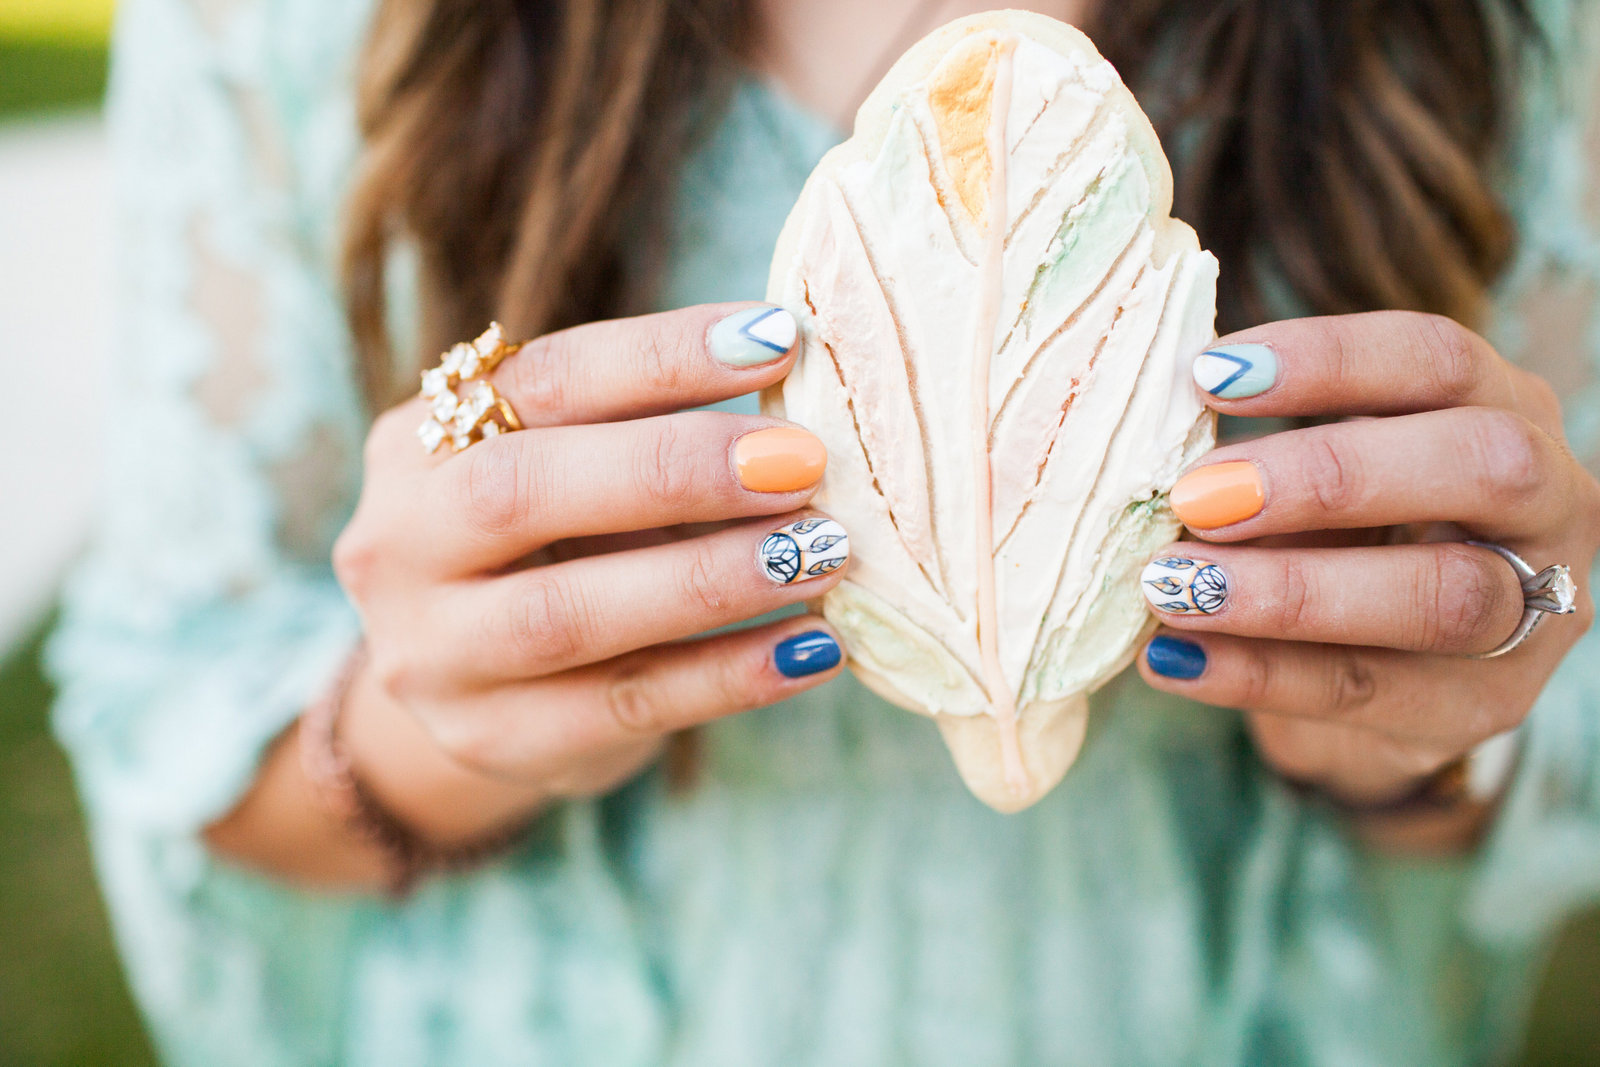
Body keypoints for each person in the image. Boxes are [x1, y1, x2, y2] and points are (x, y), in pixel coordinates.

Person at [47, 0, 1600, 1062]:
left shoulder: (1498, 37)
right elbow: (170, 699)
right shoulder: (294, 29)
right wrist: (444, 724)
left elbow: (1558, 650)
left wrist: (1410, 727)